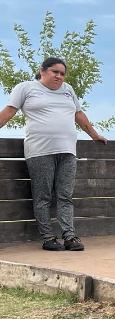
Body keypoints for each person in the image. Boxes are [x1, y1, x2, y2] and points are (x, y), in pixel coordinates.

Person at [0, 57, 108, 251]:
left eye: (62, 73)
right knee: (43, 196)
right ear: (42, 71)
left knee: (65, 195)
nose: (59, 76)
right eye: (54, 72)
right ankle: (48, 238)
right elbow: (8, 112)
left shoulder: (68, 90)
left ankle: (69, 236)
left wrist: (95, 135)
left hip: (67, 151)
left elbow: (79, 115)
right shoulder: (25, 88)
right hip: (40, 151)